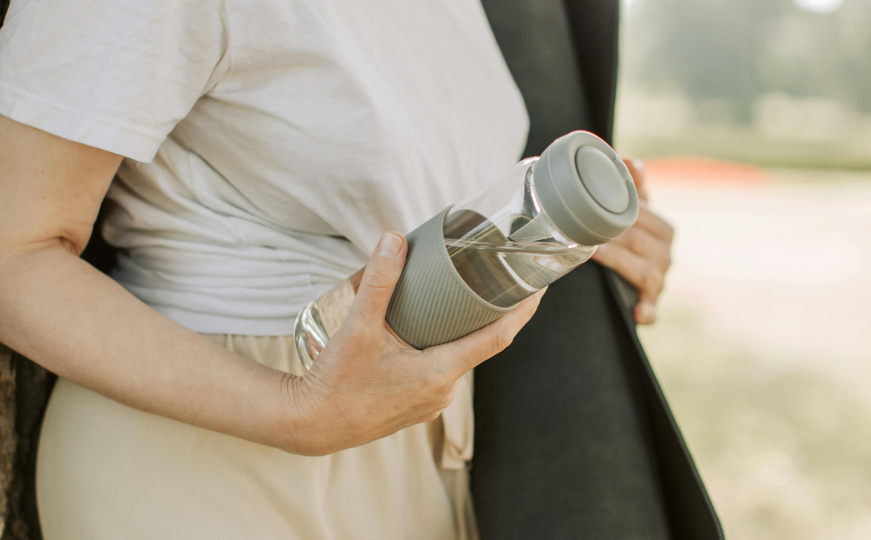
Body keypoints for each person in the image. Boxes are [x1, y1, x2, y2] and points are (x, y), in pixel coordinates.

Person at [0, 1, 691, 539]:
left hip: (411, 441)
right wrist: (292, 410)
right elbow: (14, 258)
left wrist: (560, 222)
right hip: (204, 444)